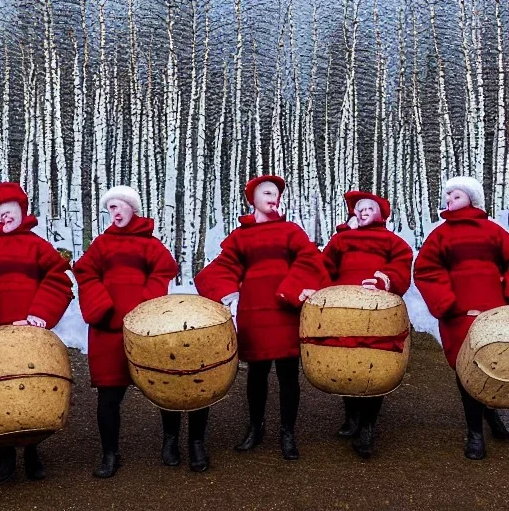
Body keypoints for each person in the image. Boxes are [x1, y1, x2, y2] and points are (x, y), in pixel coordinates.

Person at [73, 186, 206, 477]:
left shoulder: (149, 244)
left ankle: (169, 442)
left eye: (120, 207)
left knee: (165, 385)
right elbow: (84, 272)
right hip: (108, 329)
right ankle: (110, 454)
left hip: (145, 329)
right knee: (108, 396)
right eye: (111, 208)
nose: (116, 212)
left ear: (133, 208)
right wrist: (102, 304)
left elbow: (164, 269)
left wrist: (145, 306)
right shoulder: (101, 244)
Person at [195, 175, 327, 460]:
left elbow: (310, 260)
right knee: (256, 374)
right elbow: (221, 267)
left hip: (286, 311)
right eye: (266, 192)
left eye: (276, 193)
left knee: (288, 374)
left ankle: (287, 433)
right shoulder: (241, 236)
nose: (273, 196)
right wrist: (229, 293)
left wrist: (291, 290)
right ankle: (255, 428)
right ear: (252, 199)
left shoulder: (292, 231)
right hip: (254, 311)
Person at [0, 181, 74, 484]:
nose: (6, 218)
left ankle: (33, 450)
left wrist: (39, 315)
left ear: (23, 212)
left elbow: (59, 279)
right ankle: (4, 455)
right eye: (1, 213)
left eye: (11, 212)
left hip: (30, 334)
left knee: (33, 388)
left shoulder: (37, 246)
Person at [414, 176, 509, 460]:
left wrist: (505, 296)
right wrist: (448, 304)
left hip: (494, 309)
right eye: (446, 195)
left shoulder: (494, 231)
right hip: (459, 312)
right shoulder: (440, 235)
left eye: (455, 195)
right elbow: (426, 270)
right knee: (467, 366)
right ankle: (475, 433)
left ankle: (491, 419)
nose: (448, 199)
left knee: (496, 360)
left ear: (472, 197)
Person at [321, 191, 413, 458]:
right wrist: (325, 291)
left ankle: (368, 426)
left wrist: (386, 280)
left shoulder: (392, 241)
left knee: (375, 362)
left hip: (378, 312)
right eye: (358, 208)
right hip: (344, 309)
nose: (362, 212)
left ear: (381, 214)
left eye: (368, 208)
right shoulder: (340, 240)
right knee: (347, 359)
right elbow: (325, 266)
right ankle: (351, 417)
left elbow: (401, 266)